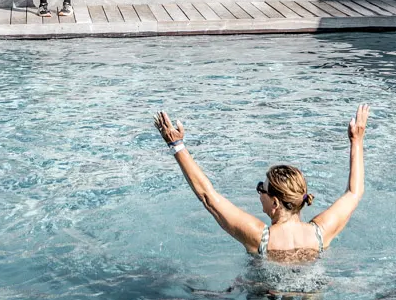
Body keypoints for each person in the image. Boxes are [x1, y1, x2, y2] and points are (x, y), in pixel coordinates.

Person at [152, 104, 369, 263]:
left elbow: (208, 196)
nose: (258, 194)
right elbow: (354, 193)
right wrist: (357, 140)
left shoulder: (259, 238)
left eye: (261, 189)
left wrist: (176, 145)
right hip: (311, 294)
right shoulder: (320, 233)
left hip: (266, 298)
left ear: (275, 203)